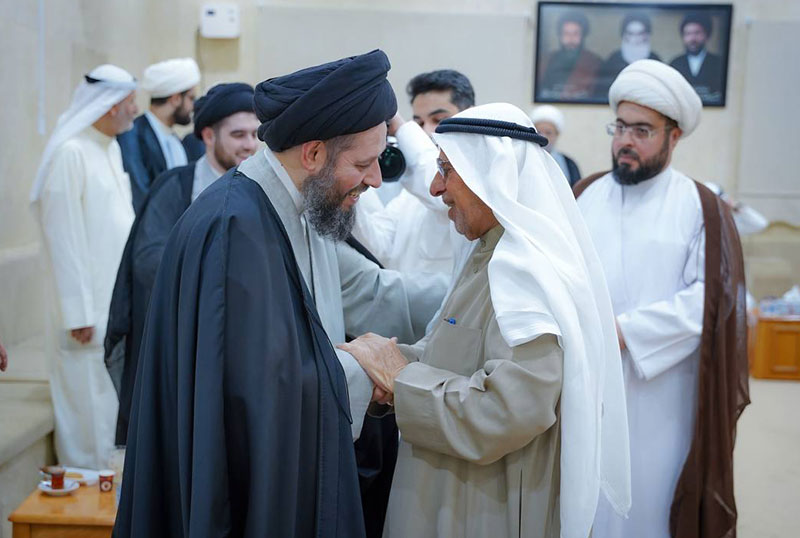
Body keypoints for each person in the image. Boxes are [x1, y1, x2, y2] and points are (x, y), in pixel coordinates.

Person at [114, 50, 447, 538]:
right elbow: (254, 395)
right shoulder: (235, 228)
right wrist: (365, 367)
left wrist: (475, 300)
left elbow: (370, 291)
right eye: (364, 163)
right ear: (312, 154)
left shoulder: (304, 207)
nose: (377, 179)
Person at [341, 103, 631, 538]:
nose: (436, 188)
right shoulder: (489, 253)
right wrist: (378, 363)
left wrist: (400, 380)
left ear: (491, 176)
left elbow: (507, 411)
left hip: (486, 506)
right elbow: (453, 356)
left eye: (446, 170)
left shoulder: (528, 274)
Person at [573, 59, 749, 538]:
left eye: (642, 130)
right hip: (588, 382)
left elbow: (711, 301)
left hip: (663, 394)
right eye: (620, 127)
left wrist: (626, 332)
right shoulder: (584, 194)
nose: (625, 141)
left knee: (649, 505)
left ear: (675, 136)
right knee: (585, 501)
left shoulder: (700, 206)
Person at [105, 82, 259, 446]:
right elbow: (149, 261)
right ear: (208, 135)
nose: (250, 145)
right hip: (180, 353)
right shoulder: (174, 187)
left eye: (255, 135)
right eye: (238, 135)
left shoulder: (261, 192)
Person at [30, 64, 138, 470]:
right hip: (85, 316)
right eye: (130, 101)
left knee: (107, 411)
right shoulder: (71, 153)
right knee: (86, 410)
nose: (135, 109)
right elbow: (63, 238)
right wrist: (77, 312)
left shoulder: (109, 147)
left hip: (114, 304)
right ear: (110, 105)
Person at [352, 69, 475, 274]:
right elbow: (381, 246)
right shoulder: (410, 195)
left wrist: (400, 127)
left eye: (438, 120)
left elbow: (439, 191)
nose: (426, 131)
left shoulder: (475, 183)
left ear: (471, 114)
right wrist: (351, 178)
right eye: (418, 123)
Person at [117, 58, 200, 212]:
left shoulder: (176, 141)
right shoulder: (132, 135)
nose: (193, 106)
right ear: (176, 99)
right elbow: (140, 196)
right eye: (191, 98)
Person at [538, 10, 603, 100]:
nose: (570, 39)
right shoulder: (546, 60)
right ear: (560, 36)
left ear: (583, 35)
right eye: (566, 33)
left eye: (575, 34)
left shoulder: (594, 62)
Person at [598, 14, 661, 99]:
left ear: (647, 35)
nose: (635, 38)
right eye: (631, 33)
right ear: (624, 35)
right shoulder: (613, 61)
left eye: (640, 33)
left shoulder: (655, 60)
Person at [670, 12, 725, 104]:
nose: (692, 39)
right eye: (688, 34)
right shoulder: (675, 63)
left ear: (706, 35)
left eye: (697, 33)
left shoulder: (718, 63)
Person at [530, 104, 582, 186]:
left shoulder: (569, 164)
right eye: (538, 132)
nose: (543, 137)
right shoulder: (524, 158)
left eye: (548, 133)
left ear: (557, 134)